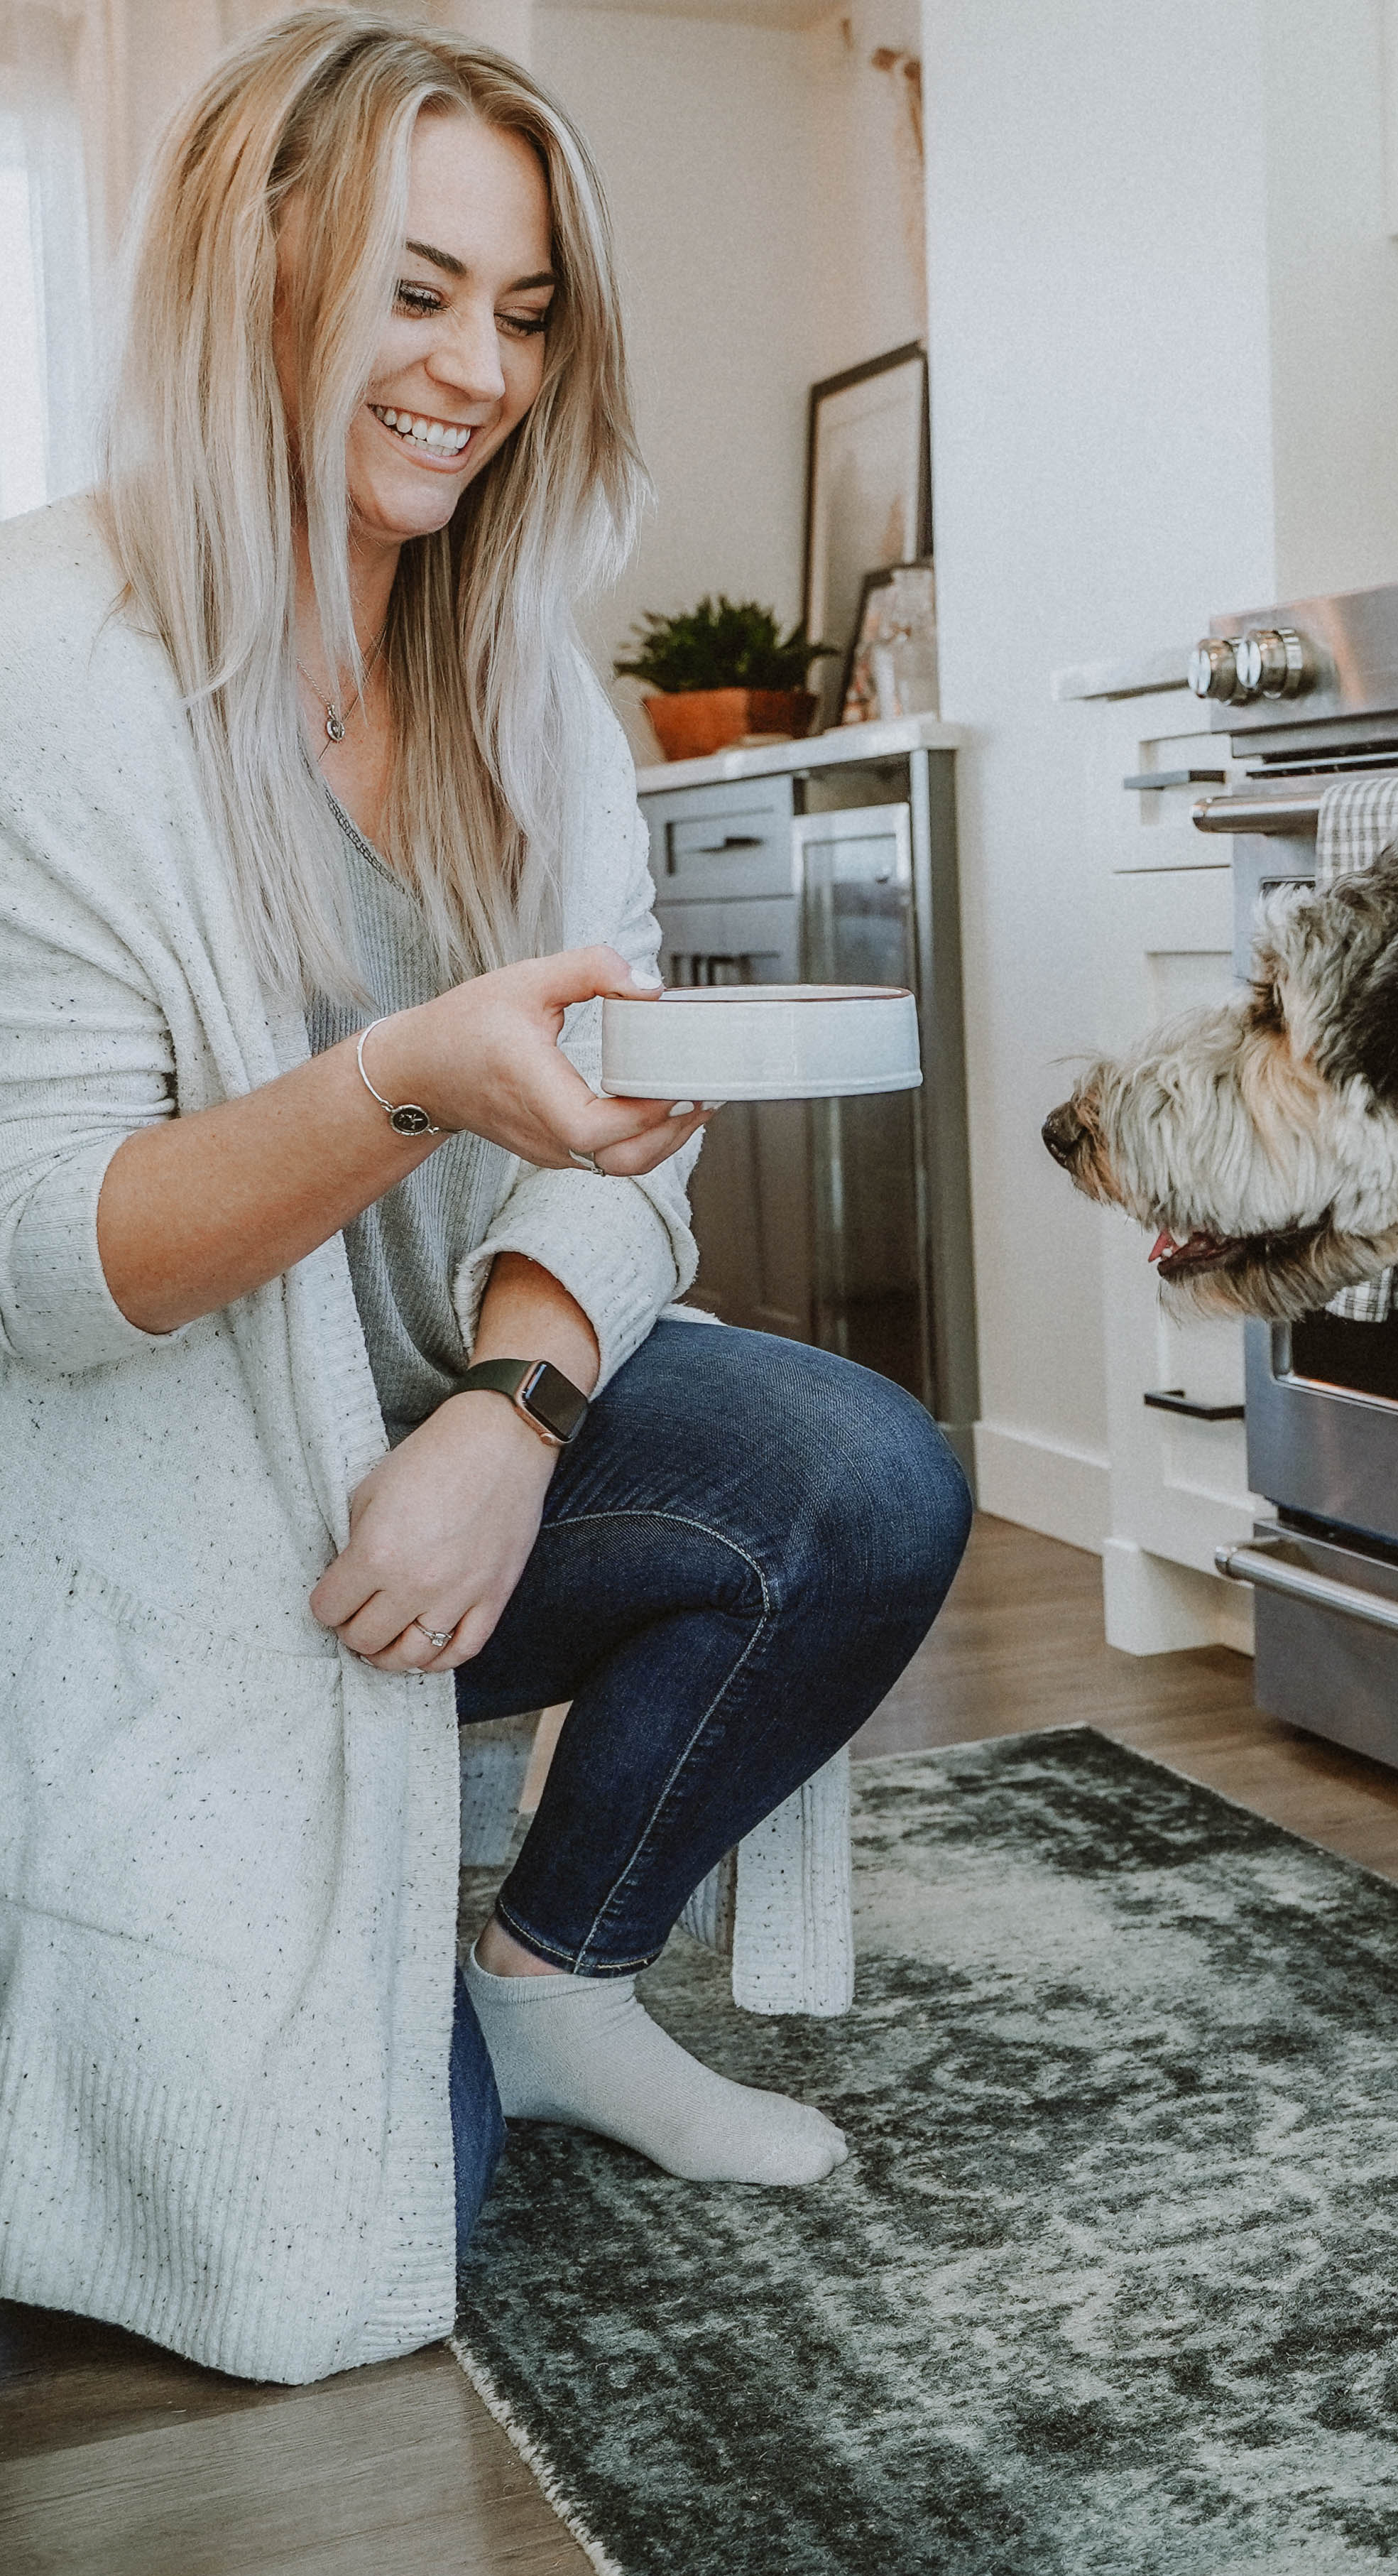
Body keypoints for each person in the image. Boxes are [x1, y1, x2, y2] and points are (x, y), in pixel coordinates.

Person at [0, 8, 972, 2386]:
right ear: (264, 268)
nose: (477, 371)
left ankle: (550, 1979)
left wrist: (507, 1419)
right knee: (331, 2229)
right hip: (143, 1491)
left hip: (434, 1452)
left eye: (525, 313)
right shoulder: (46, 658)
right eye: (418, 294)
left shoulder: (531, 685)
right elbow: (59, 1264)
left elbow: (630, 1141)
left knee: (852, 1479)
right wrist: (411, 1083)